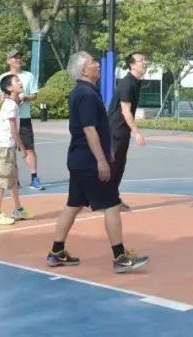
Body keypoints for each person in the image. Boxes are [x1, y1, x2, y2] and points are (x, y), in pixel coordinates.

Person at [45, 51, 148, 274]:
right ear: (84, 70)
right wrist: (101, 160)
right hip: (89, 161)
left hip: (79, 159)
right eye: (93, 62)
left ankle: (56, 252)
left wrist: (107, 149)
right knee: (111, 205)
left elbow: (95, 129)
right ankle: (120, 258)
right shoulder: (87, 95)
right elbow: (89, 129)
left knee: (73, 205)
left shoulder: (83, 92)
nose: (98, 65)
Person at [0, 49, 43, 190]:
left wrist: (25, 96)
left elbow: (34, 95)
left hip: (24, 118)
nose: (18, 59)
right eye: (14, 58)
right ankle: (15, 180)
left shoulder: (29, 76)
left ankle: (34, 178)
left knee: (29, 148)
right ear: (8, 61)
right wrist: (1, 97)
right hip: (10, 119)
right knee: (10, 149)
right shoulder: (3, 78)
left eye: (19, 57)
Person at [0, 74, 33, 225]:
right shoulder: (10, 105)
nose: (20, 82)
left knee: (13, 179)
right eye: (16, 81)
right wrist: (22, 148)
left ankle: (18, 209)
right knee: (3, 179)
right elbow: (13, 130)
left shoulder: (12, 103)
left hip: (8, 146)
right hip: (5, 146)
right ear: (9, 87)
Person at [108, 52, 148, 211]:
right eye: (141, 60)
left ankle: (113, 198)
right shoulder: (127, 84)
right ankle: (106, 199)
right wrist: (136, 132)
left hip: (122, 130)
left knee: (119, 164)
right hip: (115, 130)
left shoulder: (135, 82)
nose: (145, 63)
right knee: (113, 164)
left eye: (145, 60)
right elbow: (125, 111)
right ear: (132, 65)